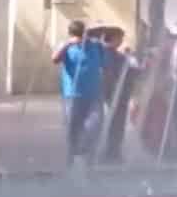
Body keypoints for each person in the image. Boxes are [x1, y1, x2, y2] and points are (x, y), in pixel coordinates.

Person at [54, 20, 104, 166]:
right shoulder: (66, 47)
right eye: (79, 35)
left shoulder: (96, 47)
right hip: (72, 95)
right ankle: (70, 161)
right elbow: (55, 59)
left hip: (94, 94)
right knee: (73, 129)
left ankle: (88, 160)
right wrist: (68, 44)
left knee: (95, 125)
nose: (83, 37)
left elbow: (103, 64)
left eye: (84, 34)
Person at [99, 27, 139, 164]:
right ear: (114, 38)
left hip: (114, 93)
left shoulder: (111, 53)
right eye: (120, 38)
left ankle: (112, 151)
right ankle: (112, 152)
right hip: (115, 94)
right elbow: (113, 73)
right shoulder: (111, 55)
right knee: (116, 123)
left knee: (115, 123)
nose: (122, 41)